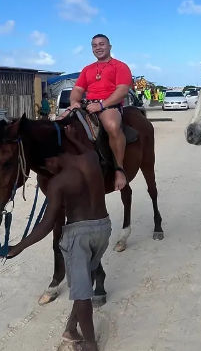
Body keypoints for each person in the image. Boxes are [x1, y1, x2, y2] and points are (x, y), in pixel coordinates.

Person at [7, 126, 111, 351]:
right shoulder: (90, 159)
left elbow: (46, 225)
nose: (47, 170)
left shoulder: (58, 183)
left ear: (51, 160)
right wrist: (74, 138)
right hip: (103, 228)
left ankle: (91, 344)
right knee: (88, 279)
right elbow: (87, 149)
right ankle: (71, 328)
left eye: (46, 166)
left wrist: (20, 246)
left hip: (78, 236)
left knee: (82, 295)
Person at [60, 34, 132, 190]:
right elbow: (78, 89)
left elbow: (122, 90)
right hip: (88, 105)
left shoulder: (120, 66)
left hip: (109, 105)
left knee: (112, 126)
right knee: (60, 122)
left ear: (109, 46)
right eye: (94, 45)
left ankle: (119, 169)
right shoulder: (87, 69)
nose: (98, 48)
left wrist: (102, 105)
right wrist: (74, 103)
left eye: (102, 44)